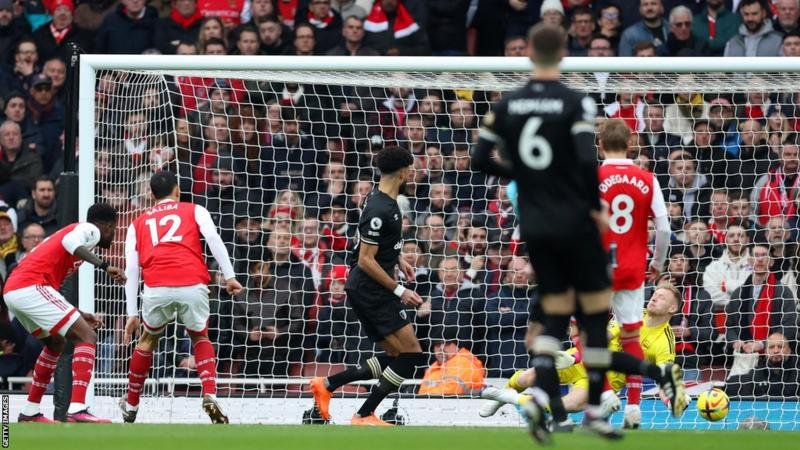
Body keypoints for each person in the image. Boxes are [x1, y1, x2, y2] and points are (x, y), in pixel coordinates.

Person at [470, 23, 684, 442]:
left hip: (540, 229)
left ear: (529, 52)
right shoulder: (577, 102)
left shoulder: (508, 103)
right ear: (564, 54)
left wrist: (525, 175)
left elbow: (479, 159)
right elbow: (589, 169)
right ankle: (609, 402)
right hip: (583, 236)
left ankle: (555, 412)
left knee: (550, 326)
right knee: (593, 327)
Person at [308, 145, 425, 426]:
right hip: (372, 289)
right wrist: (399, 289)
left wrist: (397, 259)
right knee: (411, 356)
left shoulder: (382, 199)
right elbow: (364, 260)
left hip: (370, 288)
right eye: (412, 168)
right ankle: (363, 414)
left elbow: (377, 244)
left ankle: (327, 384)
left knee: (397, 355)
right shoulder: (378, 206)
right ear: (405, 171)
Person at [120, 171, 242, 424]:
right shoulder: (194, 209)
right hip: (192, 282)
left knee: (148, 339)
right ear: (178, 191)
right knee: (199, 335)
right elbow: (212, 238)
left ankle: (131, 404)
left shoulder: (137, 222)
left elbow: (131, 268)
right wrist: (229, 275)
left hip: (157, 287)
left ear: (152, 195)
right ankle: (210, 394)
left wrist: (132, 312)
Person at [5, 203, 125, 422]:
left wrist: (79, 313)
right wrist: (106, 266)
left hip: (16, 290)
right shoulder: (89, 230)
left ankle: (30, 410)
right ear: (108, 226)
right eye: (115, 229)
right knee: (87, 336)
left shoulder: (75, 234)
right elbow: (69, 242)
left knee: (56, 343)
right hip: (29, 286)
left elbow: (50, 286)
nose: (113, 234)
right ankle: (78, 407)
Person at [597, 119, 671, 429]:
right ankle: (634, 407)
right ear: (631, 144)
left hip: (597, 267)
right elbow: (664, 228)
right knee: (630, 334)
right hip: (632, 268)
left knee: (589, 332)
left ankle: (604, 395)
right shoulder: (648, 178)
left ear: (600, 144)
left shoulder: (591, 176)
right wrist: (657, 262)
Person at [418, 326, 485, 395]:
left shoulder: (465, 364)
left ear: (457, 346)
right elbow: (422, 392)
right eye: (437, 344)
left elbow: (451, 392)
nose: (441, 348)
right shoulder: (434, 367)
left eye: (447, 344)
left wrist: (430, 391)